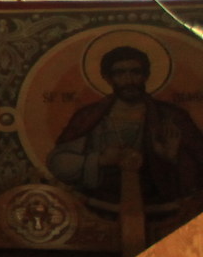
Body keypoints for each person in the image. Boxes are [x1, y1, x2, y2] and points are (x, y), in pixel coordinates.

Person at [47, 44, 203, 208]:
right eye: (119, 73)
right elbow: (58, 163)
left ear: (146, 76)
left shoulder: (173, 116)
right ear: (107, 78)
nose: (128, 80)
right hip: (98, 205)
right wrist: (100, 160)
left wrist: (172, 157)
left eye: (135, 72)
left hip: (161, 206)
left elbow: (199, 168)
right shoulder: (89, 116)